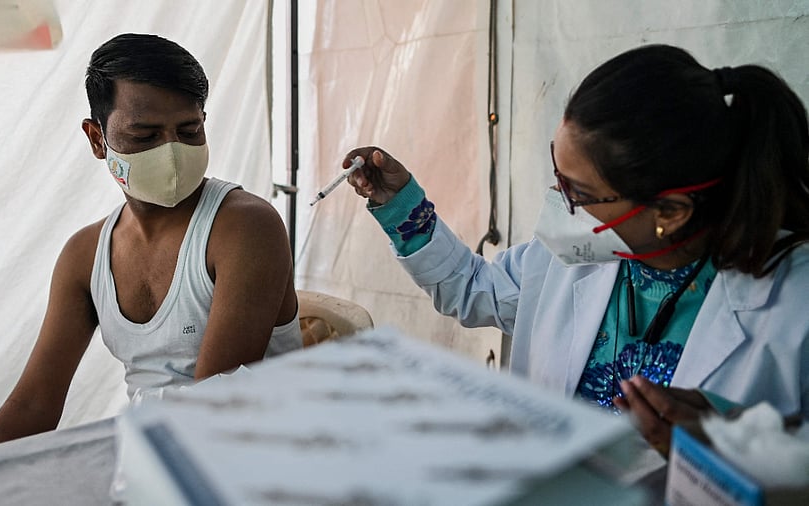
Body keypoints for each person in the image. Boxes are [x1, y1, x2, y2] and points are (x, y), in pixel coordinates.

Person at [344, 44, 809, 459]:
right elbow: (473, 287)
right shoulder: (580, 252)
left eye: (579, 192)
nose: (560, 199)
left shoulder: (793, 303)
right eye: (559, 174)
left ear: (671, 211)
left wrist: (741, 445)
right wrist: (402, 205)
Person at [0, 33, 302, 447]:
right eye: (145, 136)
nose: (172, 153)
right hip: (162, 454)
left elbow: (213, 409)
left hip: (256, 455)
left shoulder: (245, 228)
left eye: (189, 130)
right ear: (97, 139)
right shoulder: (85, 255)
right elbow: (34, 404)